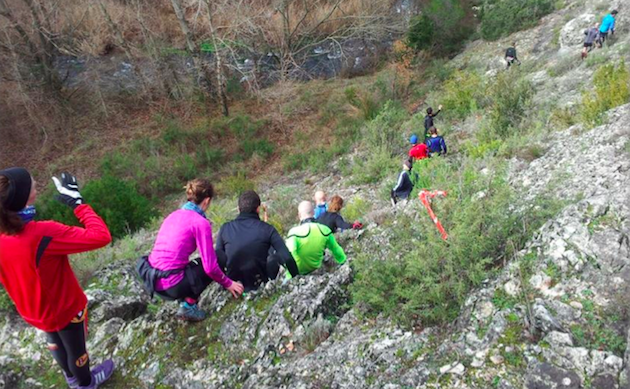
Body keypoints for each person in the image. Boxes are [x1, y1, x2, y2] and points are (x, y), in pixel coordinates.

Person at [0, 169, 114, 389]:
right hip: (66, 309)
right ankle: (85, 383)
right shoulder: (43, 234)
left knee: (54, 341)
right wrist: (78, 204)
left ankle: (71, 378)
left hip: (33, 310)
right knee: (77, 350)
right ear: (25, 197)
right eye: (31, 182)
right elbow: (101, 236)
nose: (35, 181)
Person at [146, 179, 244, 321]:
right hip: (173, 285)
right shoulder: (200, 223)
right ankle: (188, 306)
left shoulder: (172, 216)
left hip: (155, 283)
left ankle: (183, 298)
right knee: (219, 257)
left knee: (188, 264)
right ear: (206, 201)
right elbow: (210, 267)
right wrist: (229, 283)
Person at [215, 190, 299, 291]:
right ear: (258, 209)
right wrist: (296, 280)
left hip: (234, 286)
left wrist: (226, 283)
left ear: (238, 209)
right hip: (260, 285)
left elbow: (217, 259)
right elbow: (287, 258)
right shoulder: (268, 229)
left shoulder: (225, 228)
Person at [285, 201, 346, 278]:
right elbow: (336, 249)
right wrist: (343, 261)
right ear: (313, 212)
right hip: (316, 269)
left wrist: (291, 273)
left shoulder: (293, 232)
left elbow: (289, 253)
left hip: (298, 272)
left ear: (299, 215)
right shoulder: (324, 230)